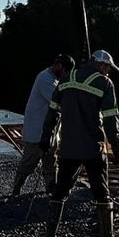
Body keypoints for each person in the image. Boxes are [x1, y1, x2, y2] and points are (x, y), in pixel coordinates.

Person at [35, 48, 119, 237]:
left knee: (59, 193)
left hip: (69, 149)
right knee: (102, 194)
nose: (108, 72)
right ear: (101, 65)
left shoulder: (65, 80)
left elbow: (52, 112)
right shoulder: (104, 83)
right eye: (108, 68)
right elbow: (111, 118)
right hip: (93, 149)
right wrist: (116, 148)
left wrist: (45, 138)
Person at [6, 54, 71, 201]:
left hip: (50, 131)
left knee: (51, 161)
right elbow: (59, 102)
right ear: (59, 66)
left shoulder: (54, 79)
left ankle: (51, 188)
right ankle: (17, 188)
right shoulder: (45, 79)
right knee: (29, 161)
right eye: (65, 72)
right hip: (38, 130)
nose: (65, 76)